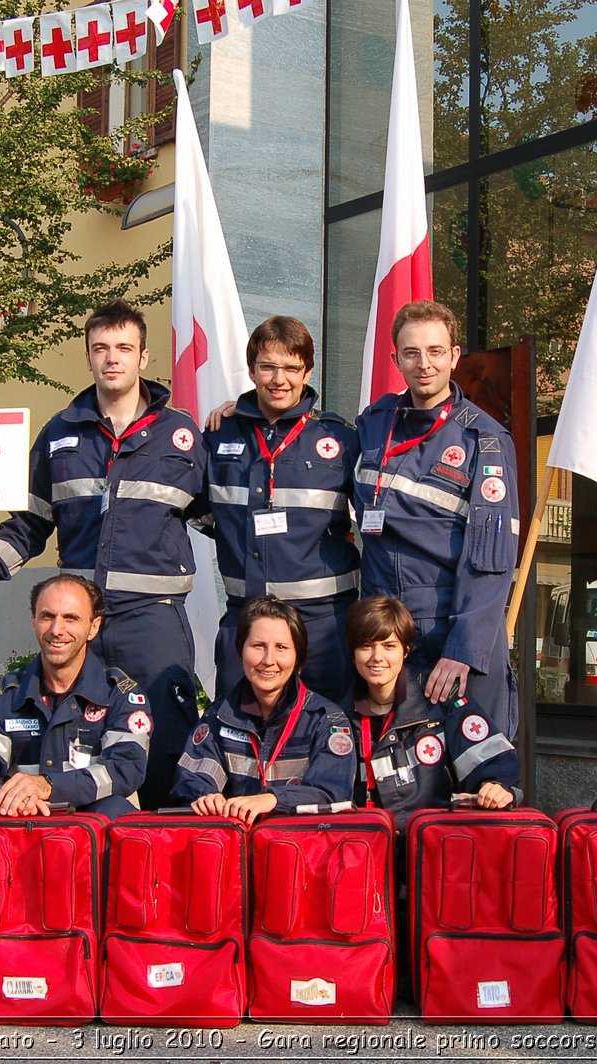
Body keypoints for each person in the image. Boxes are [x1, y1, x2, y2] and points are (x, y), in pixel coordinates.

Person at [0, 299, 203, 811]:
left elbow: (226, 518)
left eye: (124, 348)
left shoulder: (183, 436)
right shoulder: (59, 434)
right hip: (80, 620)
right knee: (73, 738)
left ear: (143, 357)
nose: (113, 359)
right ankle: (75, 847)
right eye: (101, 348)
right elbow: (32, 521)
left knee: (166, 736)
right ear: (88, 356)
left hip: (153, 621)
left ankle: (157, 850)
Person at [351, 299, 521, 738]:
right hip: (387, 638)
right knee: (399, 778)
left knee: (477, 779)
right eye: (411, 353)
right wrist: (243, 412)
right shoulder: (373, 424)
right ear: (395, 360)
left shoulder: (484, 439)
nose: (423, 364)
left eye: (435, 351)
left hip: (454, 631)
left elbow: (492, 559)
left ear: (454, 356)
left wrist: (463, 650)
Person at [201, 315, 360, 705]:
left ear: (308, 371)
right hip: (246, 621)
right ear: (252, 369)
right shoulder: (220, 435)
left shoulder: (340, 438)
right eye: (268, 367)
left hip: (324, 625)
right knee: (239, 733)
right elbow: (203, 513)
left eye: (291, 368)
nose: (279, 379)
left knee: (330, 735)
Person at [0, 574, 150, 819]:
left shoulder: (121, 696)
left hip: (95, 841)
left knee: (119, 814)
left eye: (71, 618)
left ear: (93, 627)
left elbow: (126, 768)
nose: (57, 630)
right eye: (47, 616)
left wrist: (49, 786)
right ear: (34, 621)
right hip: (22, 833)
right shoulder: (0, 699)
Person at [173, 595, 355, 823]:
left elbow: (332, 791)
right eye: (258, 646)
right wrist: (206, 797)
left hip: (302, 849)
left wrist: (274, 800)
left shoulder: (327, 721)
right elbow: (192, 776)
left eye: (281, 647)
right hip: (237, 848)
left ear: (298, 656)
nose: (268, 660)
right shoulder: (218, 717)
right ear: (241, 651)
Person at [345, 595, 519, 829]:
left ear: (405, 650)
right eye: (366, 646)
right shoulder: (338, 715)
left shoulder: (441, 701)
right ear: (353, 651)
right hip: (367, 847)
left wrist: (496, 786)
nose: (377, 657)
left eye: (389, 646)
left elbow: (491, 758)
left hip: (433, 846)